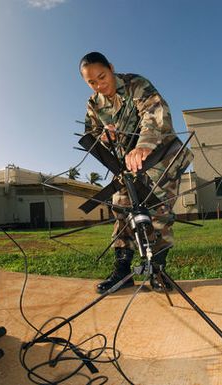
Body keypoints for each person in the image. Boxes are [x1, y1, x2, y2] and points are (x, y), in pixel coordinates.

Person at [79, 51, 193, 294]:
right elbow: (91, 134)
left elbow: (154, 112)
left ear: (111, 68)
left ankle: (157, 269)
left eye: (103, 77)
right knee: (121, 206)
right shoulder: (93, 104)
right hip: (127, 165)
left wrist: (143, 145)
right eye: (92, 82)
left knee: (157, 210)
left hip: (159, 156)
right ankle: (123, 272)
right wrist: (104, 135)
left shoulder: (136, 85)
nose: (100, 85)